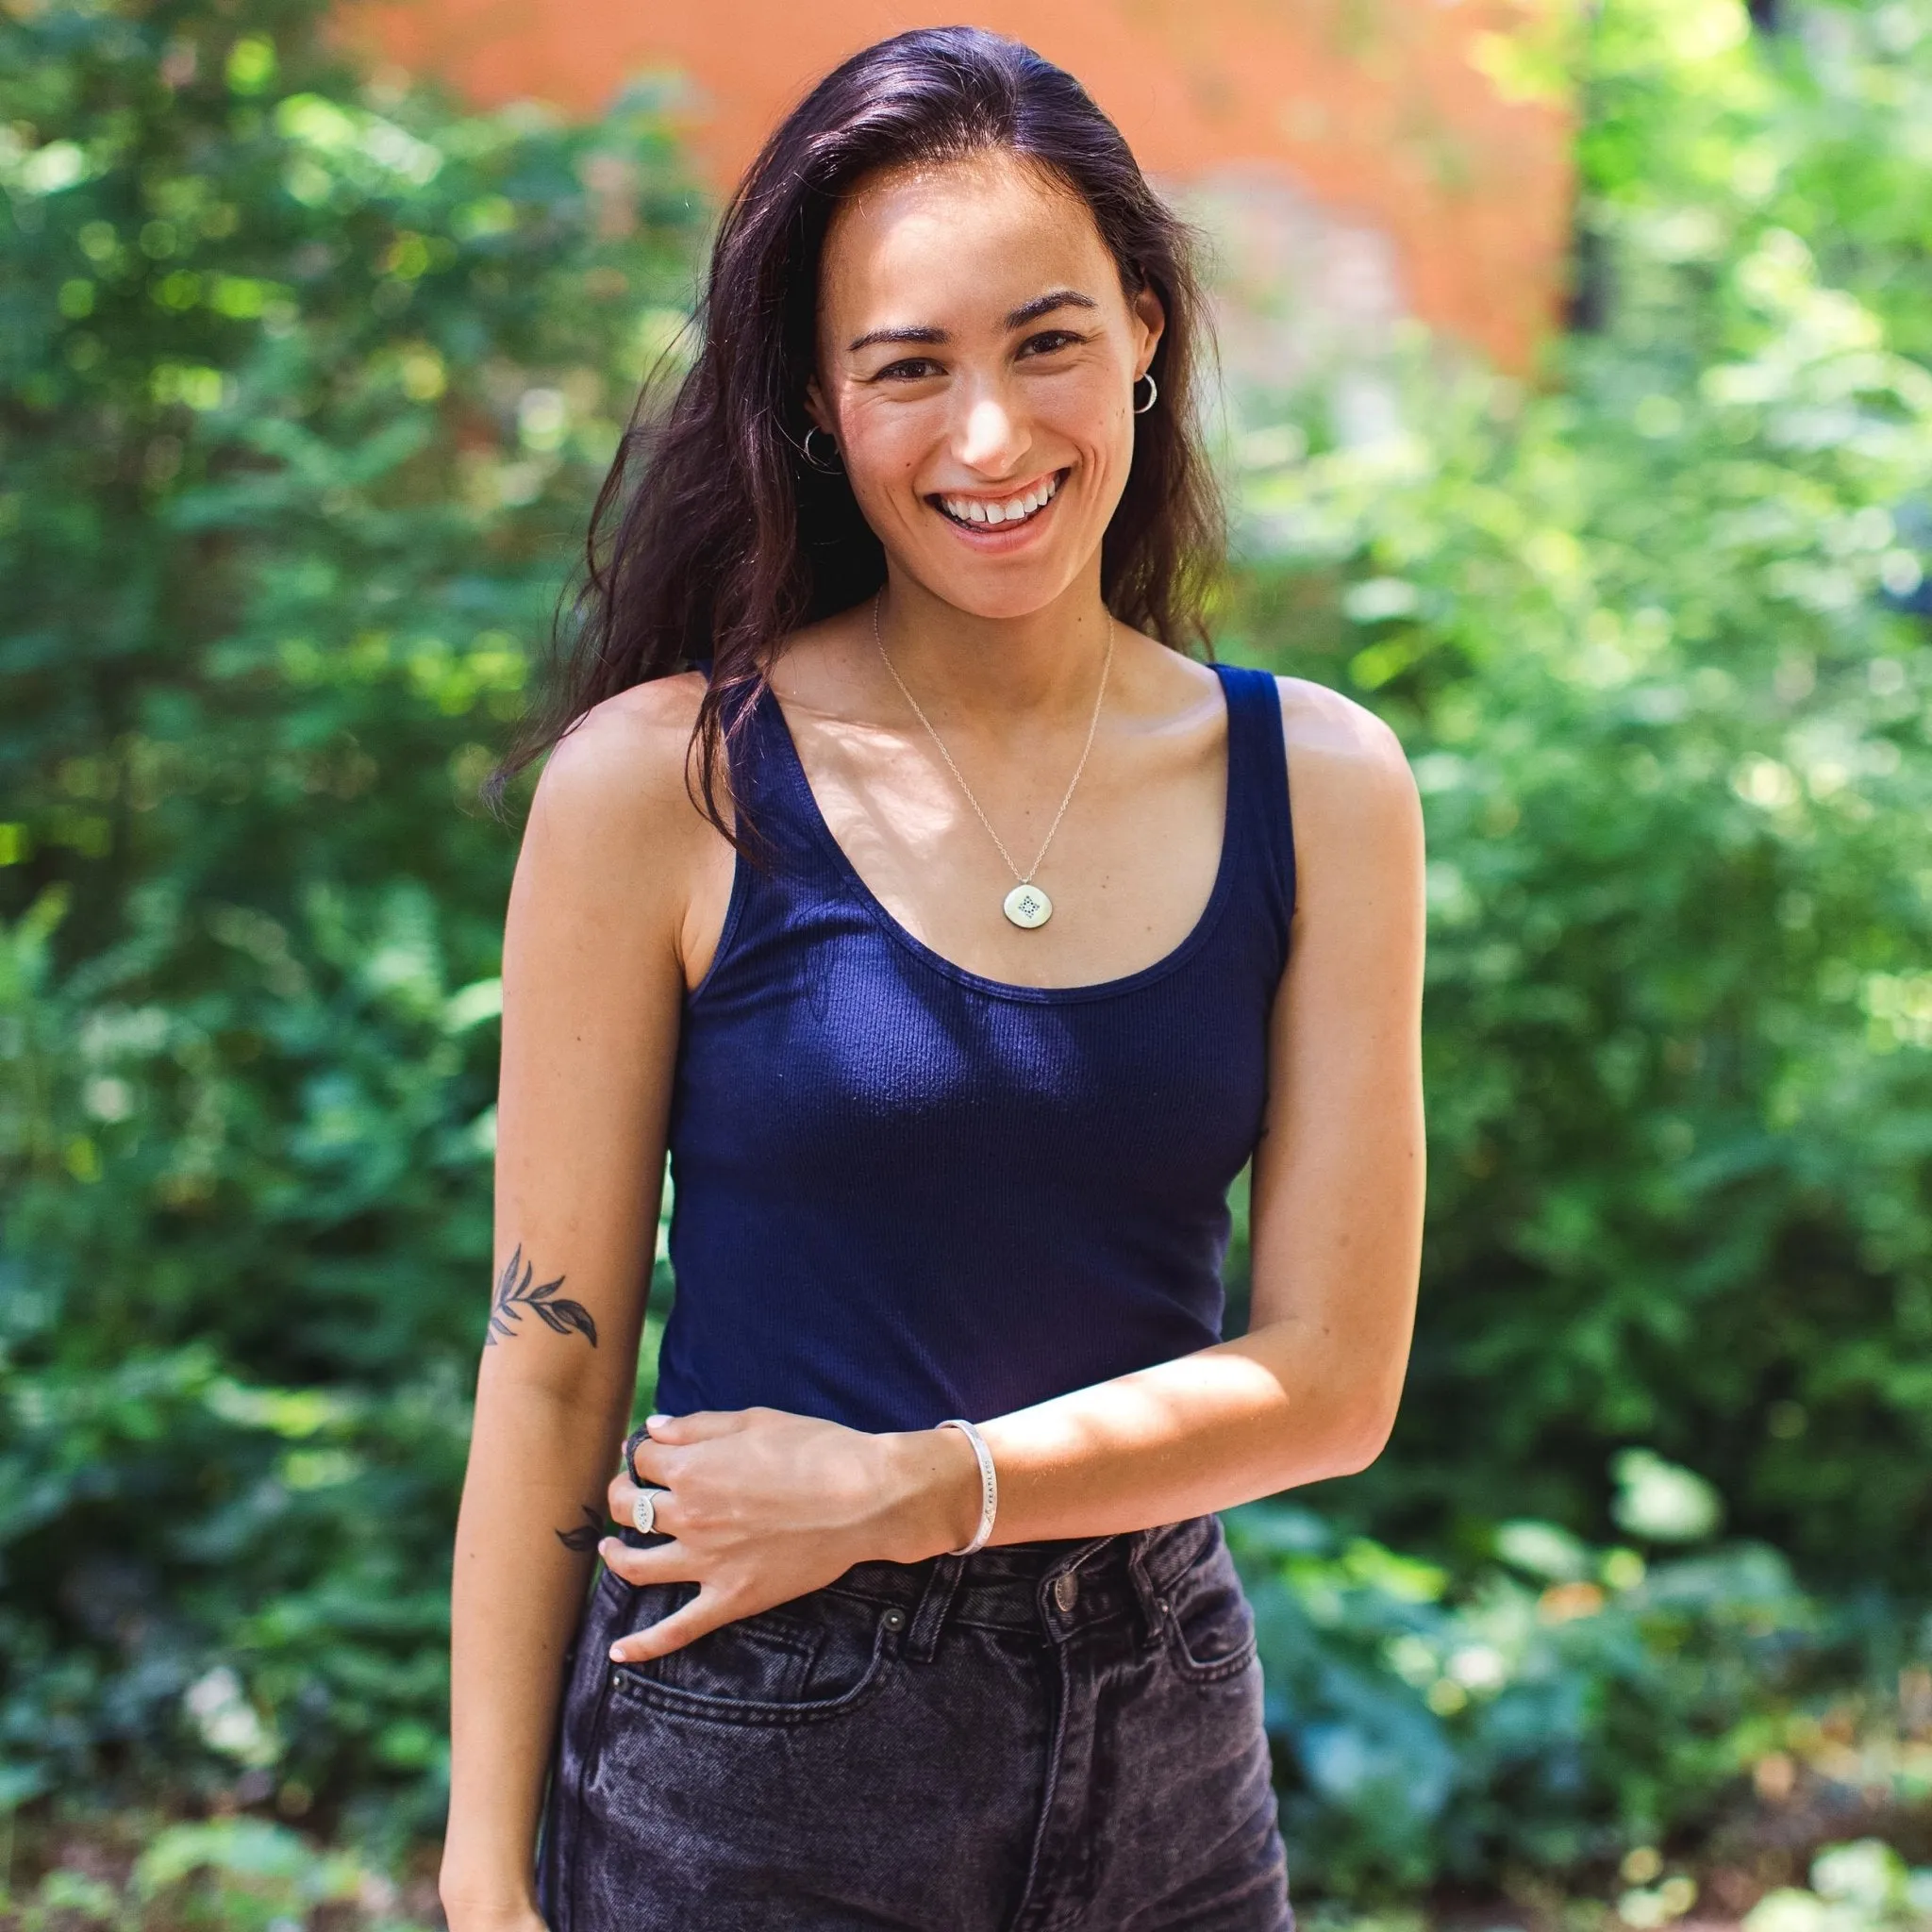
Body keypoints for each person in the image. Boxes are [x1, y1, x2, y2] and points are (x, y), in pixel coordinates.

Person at [439, 25, 1424, 1932]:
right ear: (819, 405)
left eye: (1045, 340)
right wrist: (487, 1874)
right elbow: (547, 1371)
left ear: (1144, 325)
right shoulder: (666, 785)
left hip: (1163, 1751)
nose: (989, 437)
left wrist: (919, 1485)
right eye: (909, 369)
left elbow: (1331, 1380)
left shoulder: (1321, 785)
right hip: (749, 1750)